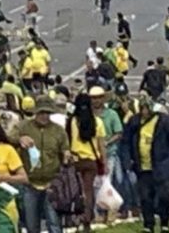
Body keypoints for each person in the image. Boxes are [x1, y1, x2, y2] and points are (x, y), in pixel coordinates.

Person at [124, 96, 169, 233]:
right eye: (142, 109)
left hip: (162, 165)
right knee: (145, 196)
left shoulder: (165, 121)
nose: (144, 112)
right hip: (142, 166)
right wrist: (127, 159)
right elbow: (126, 142)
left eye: (146, 108)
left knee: (164, 195)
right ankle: (148, 225)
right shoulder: (134, 122)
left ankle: (165, 223)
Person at [18, 96, 70, 233]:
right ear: (35, 112)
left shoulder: (58, 130)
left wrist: (66, 155)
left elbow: (65, 148)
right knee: (31, 224)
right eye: (41, 112)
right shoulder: (23, 126)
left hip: (52, 184)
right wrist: (20, 139)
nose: (44, 116)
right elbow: (7, 138)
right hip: (29, 183)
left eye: (47, 113)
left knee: (54, 223)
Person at [68, 91, 106, 232]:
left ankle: (75, 218)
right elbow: (102, 146)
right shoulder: (97, 122)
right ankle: (87, 220)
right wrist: (104, 163)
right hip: (91, 161)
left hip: (76, 160)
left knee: (75, 192)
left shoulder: (72, 121)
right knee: (88, 192)